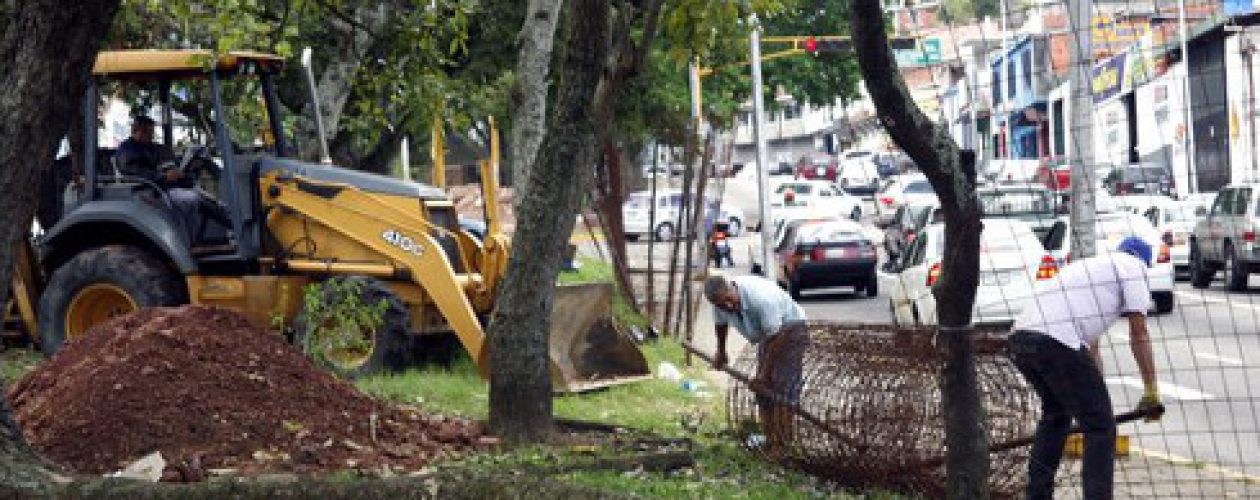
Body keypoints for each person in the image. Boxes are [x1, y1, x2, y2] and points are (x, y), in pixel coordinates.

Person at [1009, 236, 1163, 500]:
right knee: (1101, 426)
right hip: (1056, 340)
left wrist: (1094, 395)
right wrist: (1150, 388)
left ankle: (1037, 495)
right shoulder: (1133, 268)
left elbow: (1090, 351)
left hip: (1020, 339)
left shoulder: (1091, 269)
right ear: (1144, 262)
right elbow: (1139, 333)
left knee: (1056, 415)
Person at [704, 274, 808, 455]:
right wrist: (721, 351)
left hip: (790, 329)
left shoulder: (761, 300)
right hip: (768, 337)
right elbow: (720, 324)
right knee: (764, 390)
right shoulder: (719, 303)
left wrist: (764, 373)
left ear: (732, 288)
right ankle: (771, 438)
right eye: (722, 305)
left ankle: (784, 443)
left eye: (729, 300)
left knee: (783, 388)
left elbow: (776, 337)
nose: (727, 306)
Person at [115, 116, 219, 245]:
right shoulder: (128, 150)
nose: (151, 136)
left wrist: (180, 173)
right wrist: (164, 177)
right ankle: (189, 241)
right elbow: (137, 173)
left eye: (152, 132)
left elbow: (162, 163)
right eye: (149, 132)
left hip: (161, 186)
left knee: (205, 198)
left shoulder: (148, 147)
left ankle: (197, 236)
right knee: (192, 199)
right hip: (149, 191)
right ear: (138, 131)